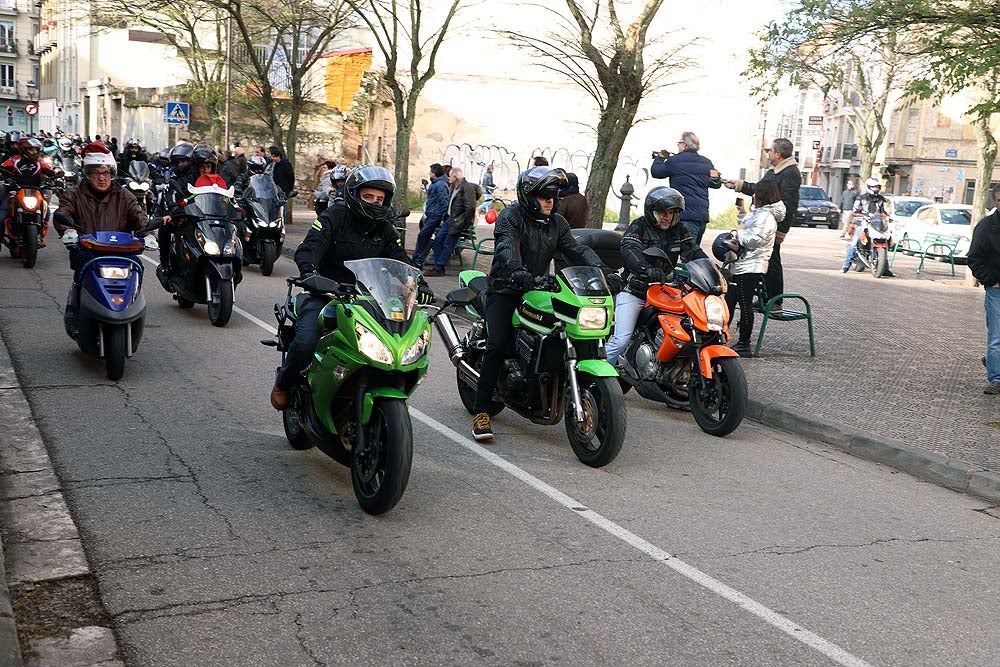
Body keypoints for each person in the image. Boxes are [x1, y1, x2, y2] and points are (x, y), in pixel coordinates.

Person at [469, 166, 622, 442]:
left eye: (554, 195)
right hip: (506, 288)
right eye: (544, 195)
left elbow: (578, 251)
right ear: (529, 196)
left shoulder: (558, 224)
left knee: (566, 328)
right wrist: (517, 272)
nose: (551, 200)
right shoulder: (510, 217)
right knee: (498, 343)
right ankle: (481, 411)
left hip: (539, 288)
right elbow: (506, 247)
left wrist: (604, 272)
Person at [270, 166, 434, 410]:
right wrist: (311, 274)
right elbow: (310, 247)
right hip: (326, 293)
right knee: (306, 340)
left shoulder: (386, 228)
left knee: (398, 341)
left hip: (371, 299)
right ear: (354, 195)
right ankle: (284, 382)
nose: (375, 202)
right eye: (369, 197)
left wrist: (418, 283)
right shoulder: (334, 216)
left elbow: (400, 259)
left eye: (380, 198)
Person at [54, 142, 150, 335]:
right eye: (96, 173)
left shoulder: (124, 195)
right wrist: (68, 230)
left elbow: (138, 216)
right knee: (81, 271)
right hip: (88, 250)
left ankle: (132, 305)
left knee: (138, 266)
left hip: (121, 252)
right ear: (87, 174)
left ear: (112, 174)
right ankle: (75, 308)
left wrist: (148, 233)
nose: (101, 178)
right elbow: (63, 212)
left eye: (106, 173)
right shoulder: (74, 194)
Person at [605, 186, 707, 366]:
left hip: (666, 291)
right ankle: (593, 377)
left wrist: (711, 270)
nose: (667, 217)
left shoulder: (679, 230)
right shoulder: (639, 226)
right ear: (652, 212)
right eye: (662, 212)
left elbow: (692, 251)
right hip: (636, 290)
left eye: (672, 212)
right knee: (621, 340)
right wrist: (644, 269)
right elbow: (630, 249)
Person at [724, 137, 800, 314]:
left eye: (770, 151)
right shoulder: (776, 171)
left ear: (778, 154)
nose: (768, 153)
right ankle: (767, 298)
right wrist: (739, 185)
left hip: (772, 225)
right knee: (766, 262)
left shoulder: (789, 173)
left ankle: (775, 301)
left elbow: (790, 203)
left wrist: (782, 231)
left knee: (772, 262)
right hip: (764, 222)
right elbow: (760, 188)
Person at [721, 182, 781, 357]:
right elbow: (749, 226)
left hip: (751, 266)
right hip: (742, 263)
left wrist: (736, 235)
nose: (753, 196)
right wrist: (742, 213)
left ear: (761, 195)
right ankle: (720, 336)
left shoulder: (767, 216)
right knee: (729, 300)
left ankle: (744, 344)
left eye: (755, 193)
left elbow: (755, 238)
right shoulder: (760, 213)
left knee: (744, 303)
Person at [650, 131, 722, 245]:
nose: (678, 146)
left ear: (684, 145)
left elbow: (656, 172)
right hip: (701, 217)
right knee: (693, 254)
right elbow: (716, 184)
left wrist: (659, 158)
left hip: (684, 216)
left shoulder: (675, 161)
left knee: (685, 255)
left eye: (679, 143)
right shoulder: (707, 163)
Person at [965, 184, 1000, 395]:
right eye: (999, 200)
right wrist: (992, 280)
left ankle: (992, 361)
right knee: (997, 337)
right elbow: (974, 258)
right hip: (997, 290)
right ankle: (997, 379)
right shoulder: (986, 227)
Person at [0, 137, 60, 246]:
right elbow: (3, 168)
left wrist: (57, 177)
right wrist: (6, 178)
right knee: (2, 214)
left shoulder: (40, 162)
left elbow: (51, 171)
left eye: (36, 150)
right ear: (24, 149)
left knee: (46, 212)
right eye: (31, 150)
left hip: (36, 192)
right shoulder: (14, 160)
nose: (34, 152)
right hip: (16, 191)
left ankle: (39, 236)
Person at [425, 167, 477, 277]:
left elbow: (470, 208)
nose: (448, 178)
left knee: (448, 244)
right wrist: (444, 218)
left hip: (457, 221)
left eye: (450, 176)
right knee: (438, 240)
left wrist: (462, 222)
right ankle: (439, 266)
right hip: (450, 219)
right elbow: (450, 204)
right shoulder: (455, 187)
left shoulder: (466, 188)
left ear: (455, 177)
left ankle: (438, 268)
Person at [841, 176, 891, 274]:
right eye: (873, 187)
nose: (876, 189)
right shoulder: (861, 198)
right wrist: (863, 215)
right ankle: (845, 265)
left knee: (886, 241)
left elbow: (883, 211)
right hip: (863, 223)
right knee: (854, 243)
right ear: (868, 187)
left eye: (877, 187)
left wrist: (888, 216)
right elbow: (855, 211)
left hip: (876, 223)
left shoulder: (881, 199)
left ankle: (885, 268)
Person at [411, 163, 449, 268]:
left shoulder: (440, 184)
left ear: (435, 173)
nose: (429, 173)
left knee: (423, 236)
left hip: (435, 216)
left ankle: (418, 259)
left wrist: (441, 217)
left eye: (431, 171)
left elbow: (444, 201)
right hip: (431, 214)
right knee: (426, 237)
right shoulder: (435, 183)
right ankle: (418, 259)